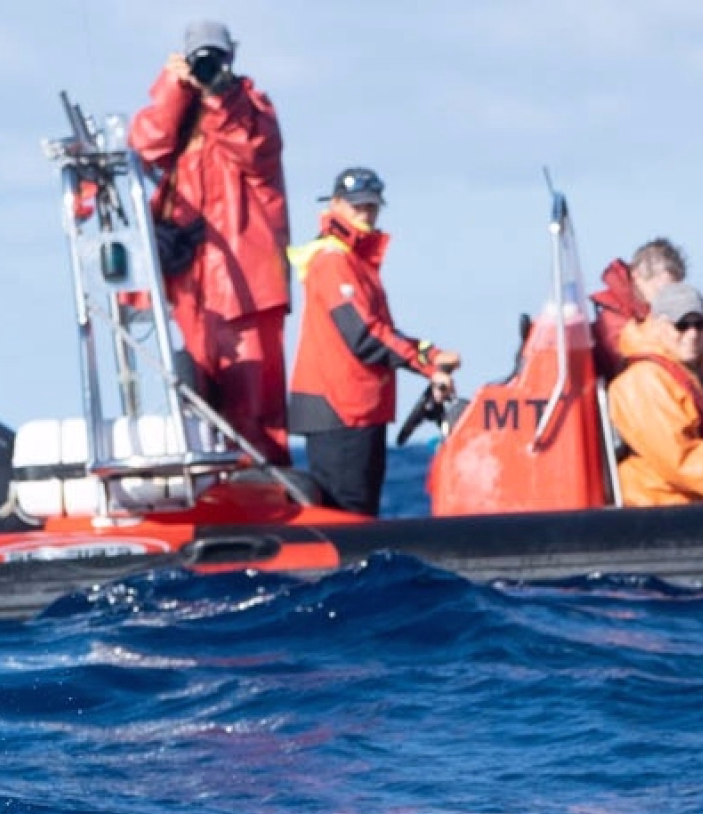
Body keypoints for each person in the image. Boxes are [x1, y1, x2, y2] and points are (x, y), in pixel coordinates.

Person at [128, 19, 291, 464]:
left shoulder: (251, 108)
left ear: (231, 56)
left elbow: (253, 148)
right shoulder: (177, 114)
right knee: (195, 397)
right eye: (200, 57)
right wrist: (172, 89)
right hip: (193, 284)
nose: (207, 65)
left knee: (256, 405)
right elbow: (143, 146)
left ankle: (265, 488)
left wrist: (221, 92)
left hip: (247, 289)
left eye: (215, 56)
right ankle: (212, 490)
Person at [287, 168, 458, 516]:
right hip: (340, 408)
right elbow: (363, 335)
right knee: (347, 511)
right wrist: (425, 366)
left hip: (358, 408)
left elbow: (380, 330)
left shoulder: (355, 263)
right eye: (356, 207)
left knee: (360, 509)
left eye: (370, 207)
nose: (365, 214)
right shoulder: (333, 262)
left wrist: (432, 354)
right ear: (335, 205)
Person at [608, 283, 703, 506]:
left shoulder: (700, 372)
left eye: (699, 325)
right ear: (660, 326)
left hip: (701, 499)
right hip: (661, 506)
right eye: (682, 325)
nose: (692, 334)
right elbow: (680, 461)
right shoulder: (643, 382)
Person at [591, 238, 686, 380]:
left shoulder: (657, 315)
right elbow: (627, 365)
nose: (669, 298)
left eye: (674, 291)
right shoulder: (613, 320)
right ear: (637, 277)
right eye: (662, 291)